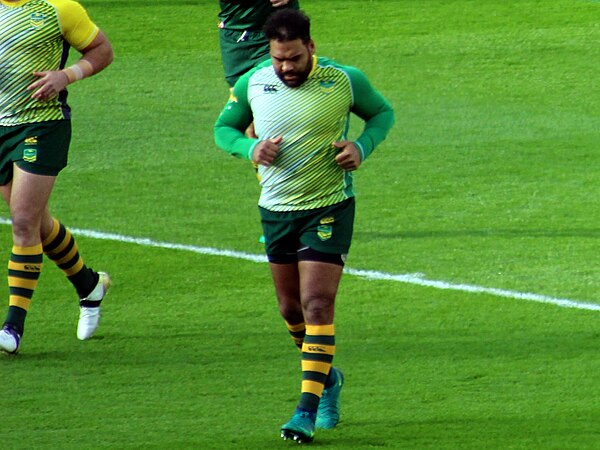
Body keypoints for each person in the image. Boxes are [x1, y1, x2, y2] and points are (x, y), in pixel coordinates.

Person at [214, 9, 395, 444]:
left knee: (316, 304)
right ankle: (327, 378)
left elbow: (383, 114)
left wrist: (361, 147)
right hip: (276, 209)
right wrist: (249, 147)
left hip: (329, 205)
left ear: (311, 48)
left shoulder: (344, 80)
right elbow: (223, 129)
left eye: (294, 58)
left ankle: (305, 410)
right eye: (279, 59)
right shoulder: (253, 81)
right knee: (290, 310)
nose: (287, 68)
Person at [0, 0, 114, 354]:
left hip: (42, 124)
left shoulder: (58, 8)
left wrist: (66, 75)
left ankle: (12, 328)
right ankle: (90, 285)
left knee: (22, 221)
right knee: (36, 222)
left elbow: (102, 51)